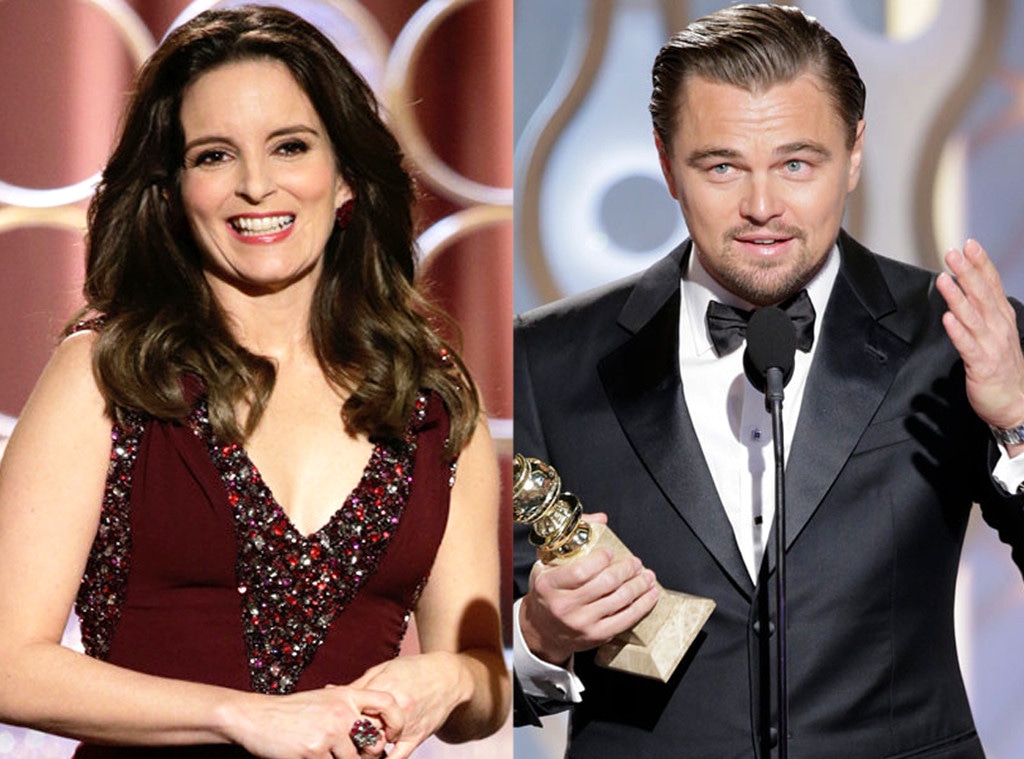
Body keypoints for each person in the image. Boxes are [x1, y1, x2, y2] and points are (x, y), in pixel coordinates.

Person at [513, 4, 1024, 757]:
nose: (761, 207)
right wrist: (539, 634)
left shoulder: (956, 337)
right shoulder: (548, 357)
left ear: (853, 155)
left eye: (796, 163)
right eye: (722, 165)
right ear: (664, 162)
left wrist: (1015, 423)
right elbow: (476, 664)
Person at [0, 5, 509, 758]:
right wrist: (240, 714)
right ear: (172, 194)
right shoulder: (108, 374)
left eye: (290, 146)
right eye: (214, 156)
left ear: (344, 181)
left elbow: (484, 680)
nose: (256, 185)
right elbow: (8, 663)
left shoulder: (428, 397)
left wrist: (453, 680)